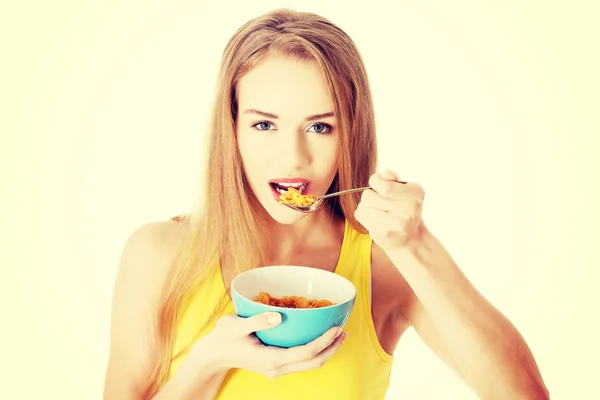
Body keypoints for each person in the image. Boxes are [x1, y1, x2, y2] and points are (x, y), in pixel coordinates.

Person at [102, 8, 549, 400]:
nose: (294, 158)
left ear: (351, 133)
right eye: (264, 125)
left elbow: (523, 395)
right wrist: (208, 362)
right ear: (232, 130)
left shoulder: (385, 265)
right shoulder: (158, 253)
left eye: (319, 128)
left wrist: (414, 245)